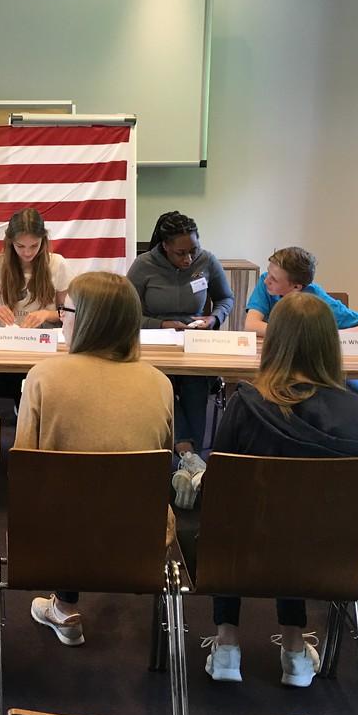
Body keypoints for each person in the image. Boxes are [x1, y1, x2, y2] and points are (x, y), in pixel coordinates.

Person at [203, 292, 358, 688]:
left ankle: (226, 645)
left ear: (275, 342)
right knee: (299, 523)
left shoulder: (246, 406)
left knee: (235, 520)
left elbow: (216, 497)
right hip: (334, 561)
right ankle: (294, 650)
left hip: (245, 554)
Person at [15, 271, 175, 647]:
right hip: (140, 535)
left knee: (63, 493)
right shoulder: (160, 383)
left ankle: (64, 606)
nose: (61, 318)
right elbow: (161, 464)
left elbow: (23, 468)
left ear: (87, 319)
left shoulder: (43, 377)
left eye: (65, 311)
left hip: (55, 537)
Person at [128, 211, 235, 508]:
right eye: (180, 253)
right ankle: (190, 458)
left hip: (194, 339)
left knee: (196, 384)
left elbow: (226, 299)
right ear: (164, 246)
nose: (188, 259)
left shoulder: (208, 261)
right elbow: (128, 311)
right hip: (153, 341)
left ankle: (188, 462)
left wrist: (213, 319)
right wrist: (160, 324)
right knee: (160, 385)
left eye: (193, 251)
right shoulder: (143, 266)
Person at [0, 208, 70, 408]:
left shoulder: (57, 264)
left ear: (43, 240)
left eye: (34, 246)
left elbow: (68, 314)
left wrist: (47, 314)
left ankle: (27, 413)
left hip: (45, 348)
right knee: (19, 384)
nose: (27, 253)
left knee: (43, 384)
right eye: (20, 246)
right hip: (9, 349)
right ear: (10, 242)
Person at [244, 246, 358, 338]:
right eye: (268, 273)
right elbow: (251, 325)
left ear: (296, 287)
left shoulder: (316, 299)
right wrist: (297, 336)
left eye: (274, 279)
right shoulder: (266, 283)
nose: (266, 280)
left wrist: (331, 336)